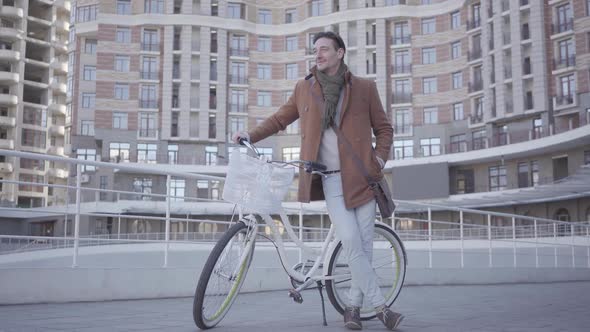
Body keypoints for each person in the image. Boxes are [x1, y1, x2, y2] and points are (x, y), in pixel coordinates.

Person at [231, 31, 403, 331]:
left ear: (340, 53)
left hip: (363, 179)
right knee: (350, 240)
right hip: (331, 180)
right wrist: (250, 134)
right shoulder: (305, 89)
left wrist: (378, 160)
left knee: (363, 245)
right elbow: (279, 119)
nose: (318, 54)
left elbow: (385, 129)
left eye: (325, 49)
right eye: (316, 50)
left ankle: (352, 308)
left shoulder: (364, 88)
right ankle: (381, 308)